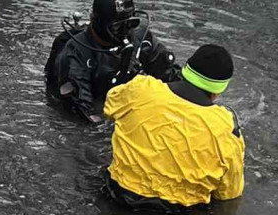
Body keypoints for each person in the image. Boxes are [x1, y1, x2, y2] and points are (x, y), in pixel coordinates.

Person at [102, 44, 246, 212]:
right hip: (179, 214)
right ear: (219, 90)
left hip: (118, 195)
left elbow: (109, 106)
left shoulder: (141, 88)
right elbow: (229, 194)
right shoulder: (228, 129)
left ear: (186, 69)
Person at [45, 0, 180, 123]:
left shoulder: (141, 37)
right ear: (96, 22)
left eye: (131, 23)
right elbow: (81, 111)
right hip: (96, 101)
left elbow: (172, 77)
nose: (126, 31)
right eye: (117, 26)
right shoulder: (77, 50)